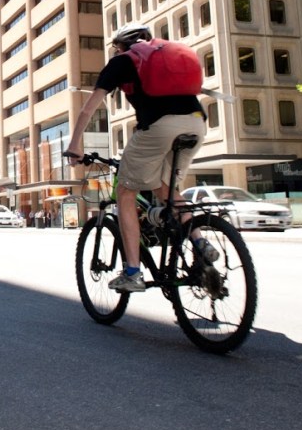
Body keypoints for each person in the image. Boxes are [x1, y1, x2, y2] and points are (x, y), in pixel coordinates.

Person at [64, 24, 217, 293]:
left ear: (121, 45)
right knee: (167, 189)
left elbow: (88, 109)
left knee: (125, 191)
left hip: (160, 126)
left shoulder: (122, 61)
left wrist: (75, 145)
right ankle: (200, 241)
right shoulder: (166, 57)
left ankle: (133, 271)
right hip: (196, 122)